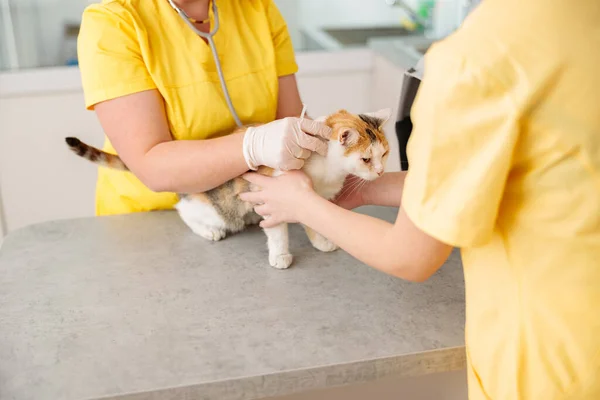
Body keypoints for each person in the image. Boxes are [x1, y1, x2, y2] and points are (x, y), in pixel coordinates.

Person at [240, 0, 600, 398]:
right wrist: (364, 189)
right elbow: (513, 178)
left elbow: (411, 255)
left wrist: (304, 205)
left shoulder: (478, 60)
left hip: (551, 364)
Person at [77, 0, 329, 216]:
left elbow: (292, 132)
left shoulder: (257, 8)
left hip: (252, 212)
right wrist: (254, 145)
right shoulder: (112, 23)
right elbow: (153, 167)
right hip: (151, 223)